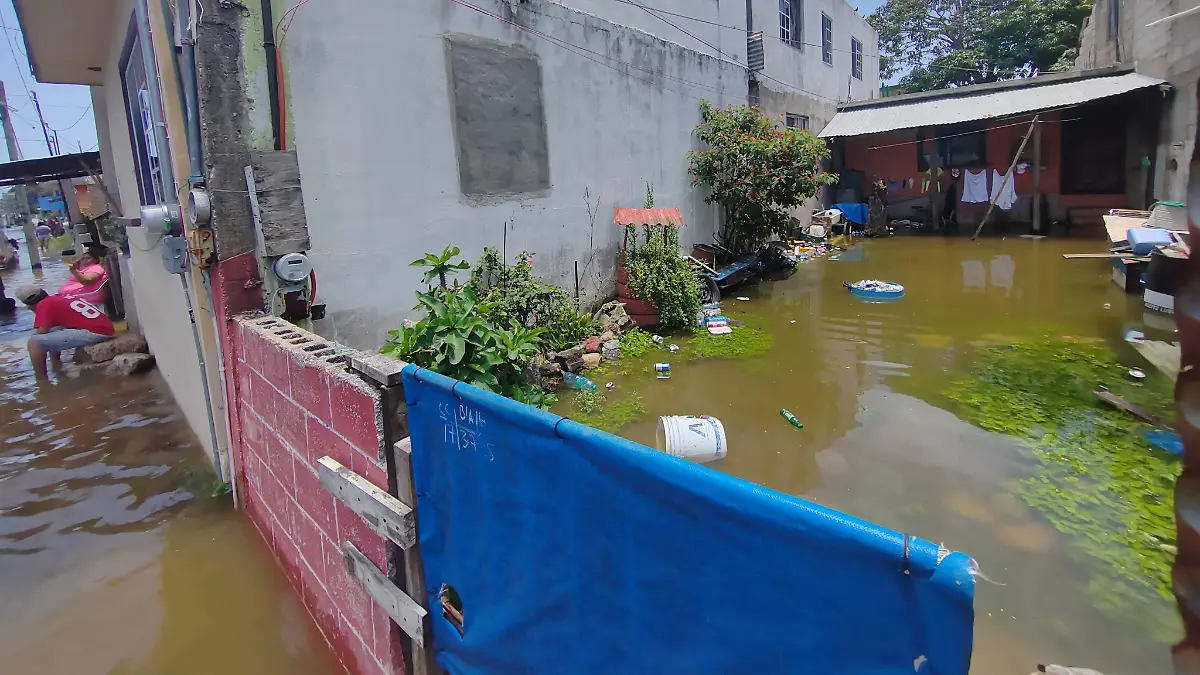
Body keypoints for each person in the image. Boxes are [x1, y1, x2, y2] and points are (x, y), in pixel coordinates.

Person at [15, 285, 114, 378]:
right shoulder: (59, 298)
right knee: (51, 332)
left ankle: (41, 379)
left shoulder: (43, 304)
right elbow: (50, 328)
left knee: (34, 342)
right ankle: (57, 367)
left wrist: (33, 339)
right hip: (106, 328)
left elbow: (42, 330)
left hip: (96, 332)